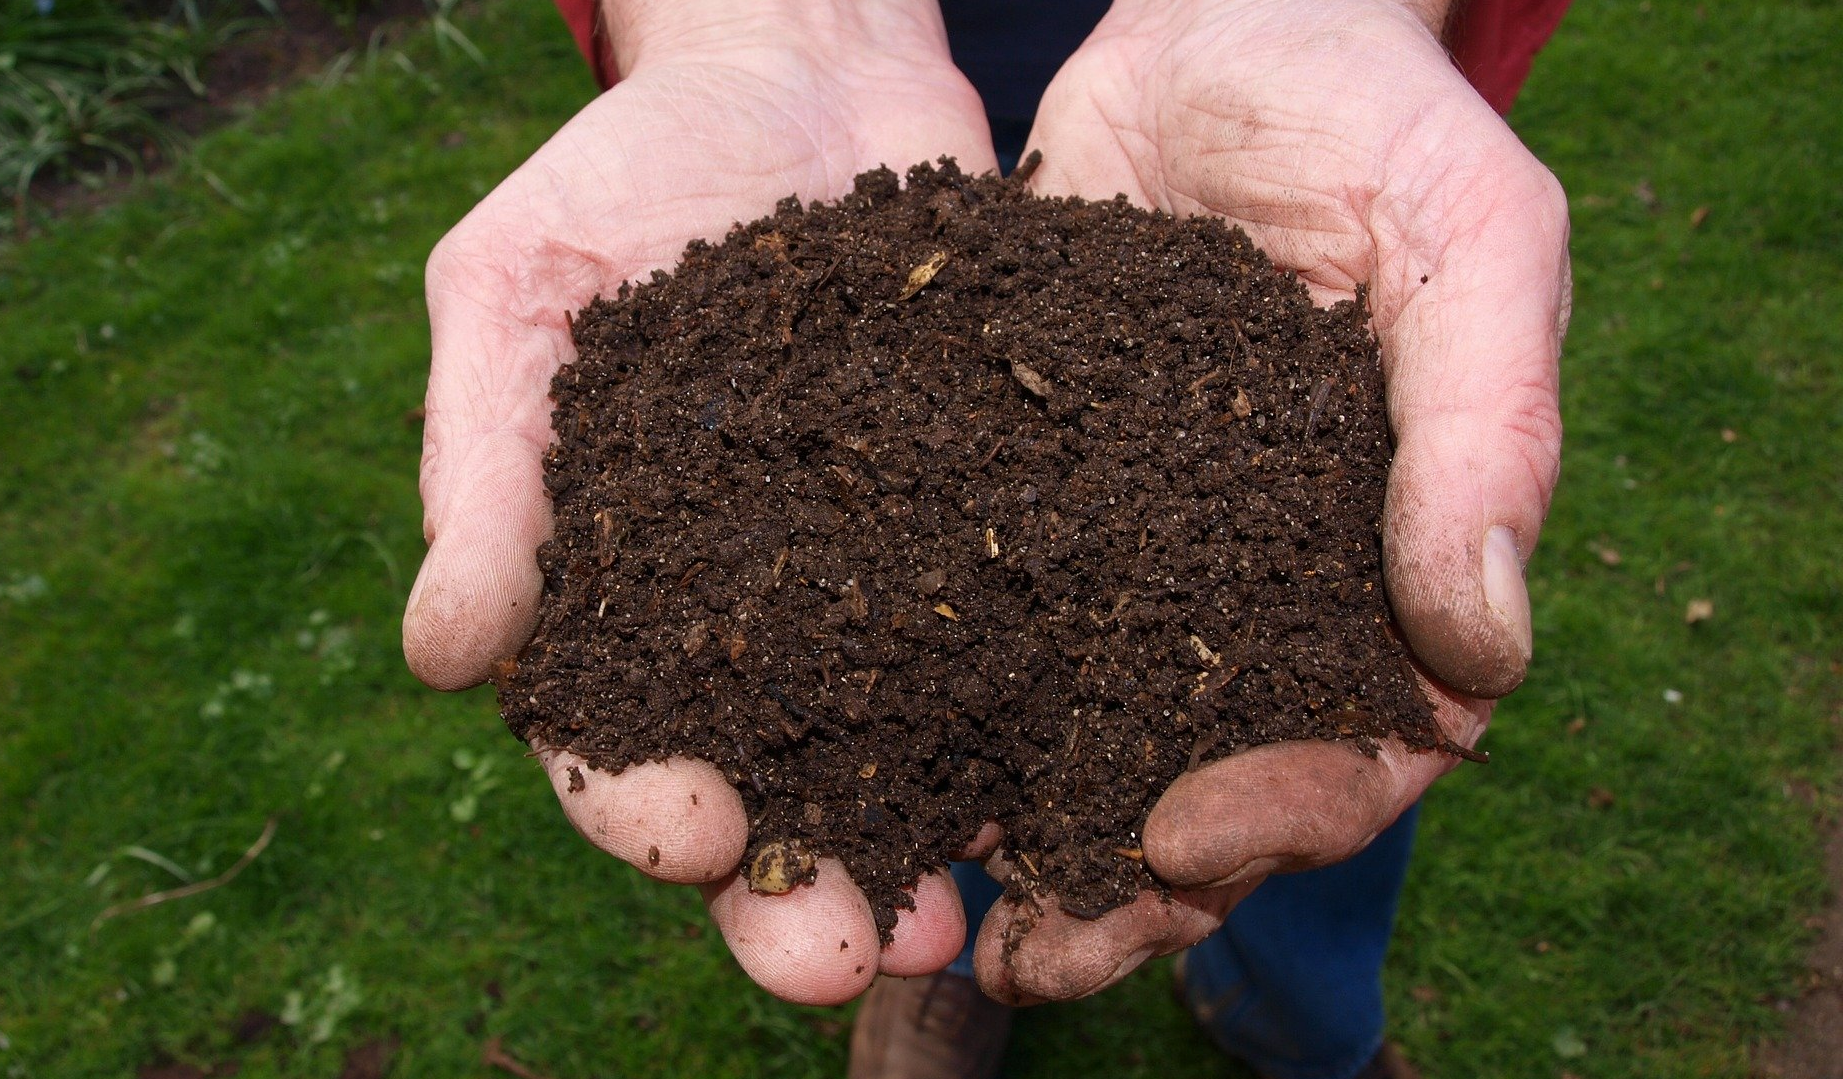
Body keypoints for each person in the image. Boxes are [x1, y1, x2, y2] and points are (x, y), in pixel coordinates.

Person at [402, 2, 1571, 1077]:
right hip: (862, 70)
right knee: (949, 783)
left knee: (1315, 756)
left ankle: (1297, 1018)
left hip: (1217, 106)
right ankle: (951, 966)